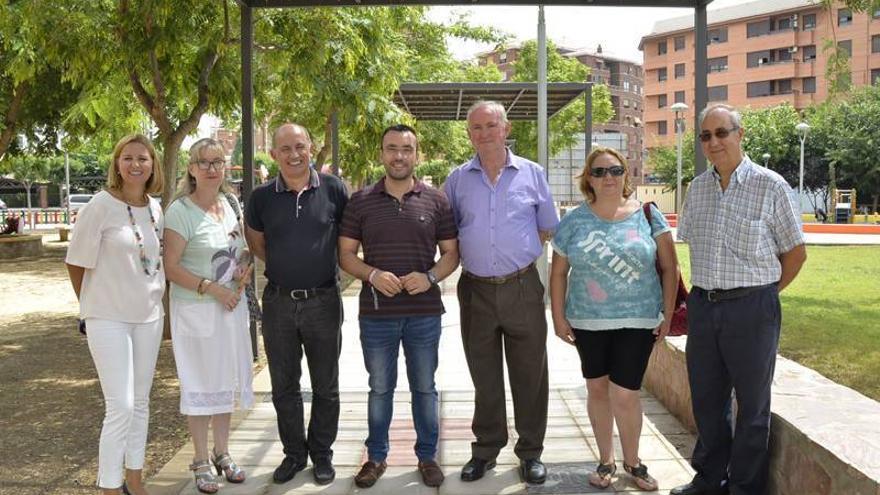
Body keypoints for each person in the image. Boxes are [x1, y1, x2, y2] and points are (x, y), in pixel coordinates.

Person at [671, 104, 807, 495]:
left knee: (752, 404)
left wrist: (763, 294)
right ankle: (709, 479)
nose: (713, 142)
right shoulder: (697, 189)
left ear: (740, 134)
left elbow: (795, 254)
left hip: (753, 308)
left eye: (721, 133)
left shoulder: (772, 186)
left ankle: (745, 487)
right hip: (704, 306)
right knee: (707, 401)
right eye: (705, 136)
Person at [549, 146, 679, 491]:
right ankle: (606, 460)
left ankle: (633, 462)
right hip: (588, 322)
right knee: (597, 389)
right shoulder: (574, 221)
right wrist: (558, 317)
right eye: (599, 171)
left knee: (625, 394)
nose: (608, 177)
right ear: (588, 179)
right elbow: (559, 272)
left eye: (615, 170)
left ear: (626, 175)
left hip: (638, 320)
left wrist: (666, 312)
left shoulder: (649, 215)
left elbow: (670, 267)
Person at [443, 100, 559, 484]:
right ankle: (486, 449)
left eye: (491, 125)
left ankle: (530, 452)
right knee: (484, 374)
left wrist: (514, 255)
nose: (484, 133)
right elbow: (450, 233)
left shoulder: (533, 173)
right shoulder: (457, 179)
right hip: (475, 289)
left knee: (530, 374)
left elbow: (546, 228)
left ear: (506, 128)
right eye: (476, 128)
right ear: (469, 134)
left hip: (523, 286)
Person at [338, 124, 459, 489]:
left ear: (416, 154)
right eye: (392, 148)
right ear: (381, 153)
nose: (399, 155)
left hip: (424, 314)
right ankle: (376, 457)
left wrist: (431, 277)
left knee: (425, 387)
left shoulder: (437, 200)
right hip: (377, 315)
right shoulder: (359, 202)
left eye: (406, 149)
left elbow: (452, 253)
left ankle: (427, 456)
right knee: (380, 388)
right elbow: (345, 254)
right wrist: (372, 274)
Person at [244, 123, 348, 485]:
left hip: (323, 300)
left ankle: (321, 454)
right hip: (278, 303)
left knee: (326, 385)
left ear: (311, 147)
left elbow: (345, 240)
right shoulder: (260, 198)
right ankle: (293, 454)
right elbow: (258, 245)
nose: (294, 154)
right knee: (283, 385)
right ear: (273, 154)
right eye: (285, 148)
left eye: (300, 146)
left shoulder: (334, 189)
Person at [65, 134, 165, 495]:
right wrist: (91, 306)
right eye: (128, 158)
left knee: (140, 403)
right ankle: (110, 487)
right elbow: (76, 264)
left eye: (143, 158)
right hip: (107, 318)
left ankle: (135, 482)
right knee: (120, 405)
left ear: (153, 164)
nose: (136, 164)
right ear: (117, 163)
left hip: (149, 317)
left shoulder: (155, 208)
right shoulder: (100, 205)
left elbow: (153, 263)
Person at [163, 138, 254, 493]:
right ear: (191, 168)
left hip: (231, 308)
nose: (212, 169)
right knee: (200, 383)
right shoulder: (180, 212)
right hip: (197, 310)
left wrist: (243, 272)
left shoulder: (229, 205)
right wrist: (213, 289)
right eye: (204, 163)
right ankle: (200, 458)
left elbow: (239, 251)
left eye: (218, 162)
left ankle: (222, 452)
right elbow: (171, 268)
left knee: (224, 381)